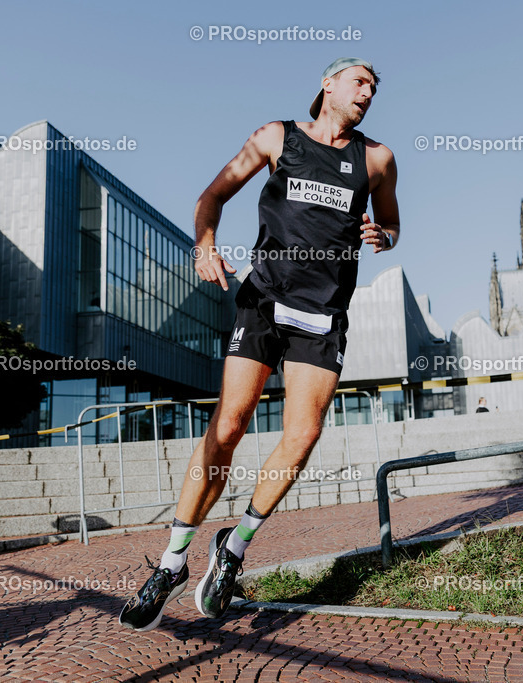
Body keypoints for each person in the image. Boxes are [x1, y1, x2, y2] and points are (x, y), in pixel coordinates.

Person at [120, 57, 399, 631]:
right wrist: (205, 246)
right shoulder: (277, 138)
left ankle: (234, 548)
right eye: (360, 82)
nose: (369, 93)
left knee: (303, 436)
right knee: (228, 426)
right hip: (265, 302)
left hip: (322, 318)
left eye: (375, 87)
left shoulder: (376, 159)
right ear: (328, 84)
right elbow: (212, 196)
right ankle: (173, 562)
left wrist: (383, 235)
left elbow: (392, 223)